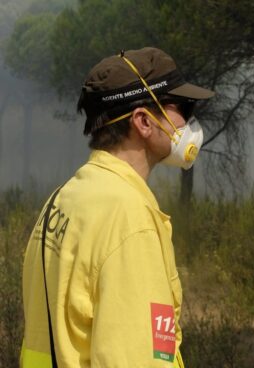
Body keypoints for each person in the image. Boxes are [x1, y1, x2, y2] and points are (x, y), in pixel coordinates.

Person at [21, 47, 214, 367]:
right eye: (182, 106)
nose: (188, 120)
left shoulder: (62, 199)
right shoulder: (129, 219)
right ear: (143, 122)